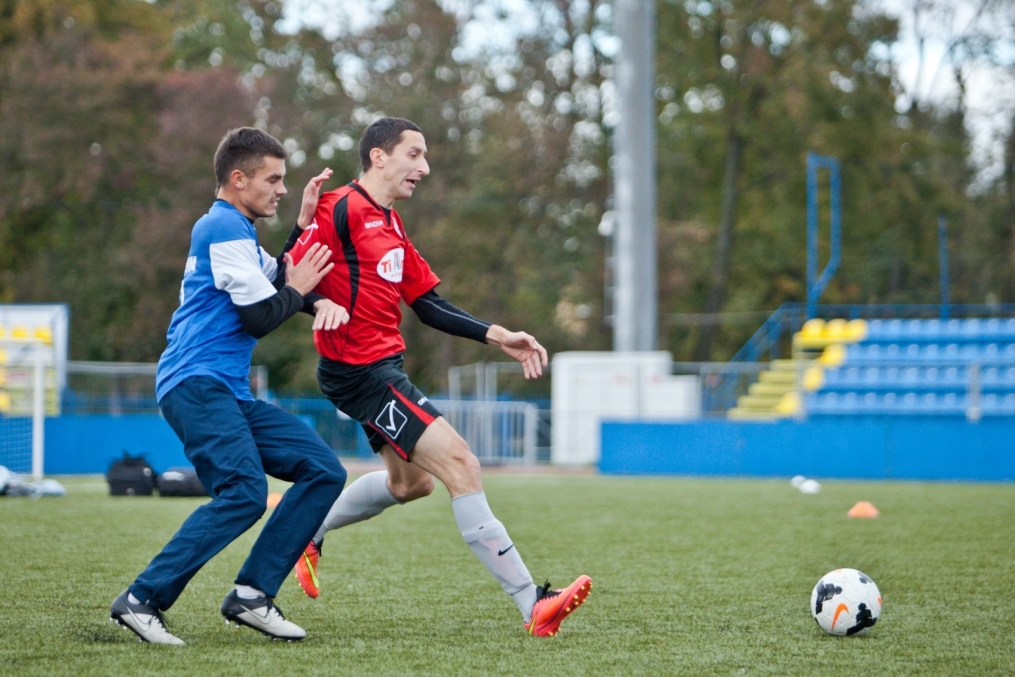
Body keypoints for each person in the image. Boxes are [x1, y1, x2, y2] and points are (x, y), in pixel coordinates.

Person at [288, 118, 591, 637]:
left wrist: (500, 335)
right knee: (462, 463)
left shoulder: (392, 224)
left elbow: (428, 305)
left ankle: (305, 533)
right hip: (360, 373)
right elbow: (287, 273)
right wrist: (320, 305)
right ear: (379, 157)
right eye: (415, 154)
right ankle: (532, 604)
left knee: (412, 485)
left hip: (383, 368)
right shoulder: (339, 207)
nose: (424, 168)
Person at [109, 127, 350, 645]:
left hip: (226, 391)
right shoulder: (219, 228)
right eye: (274, 179)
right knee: (243, 492)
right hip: (195, 384)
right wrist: (303, 290)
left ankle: (252, 595)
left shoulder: (236, 232)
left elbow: (279, 276)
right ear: (238, 179)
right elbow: (261, 315)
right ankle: (141, 599)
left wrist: (304, 228)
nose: (282, 189)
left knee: (323, 469)